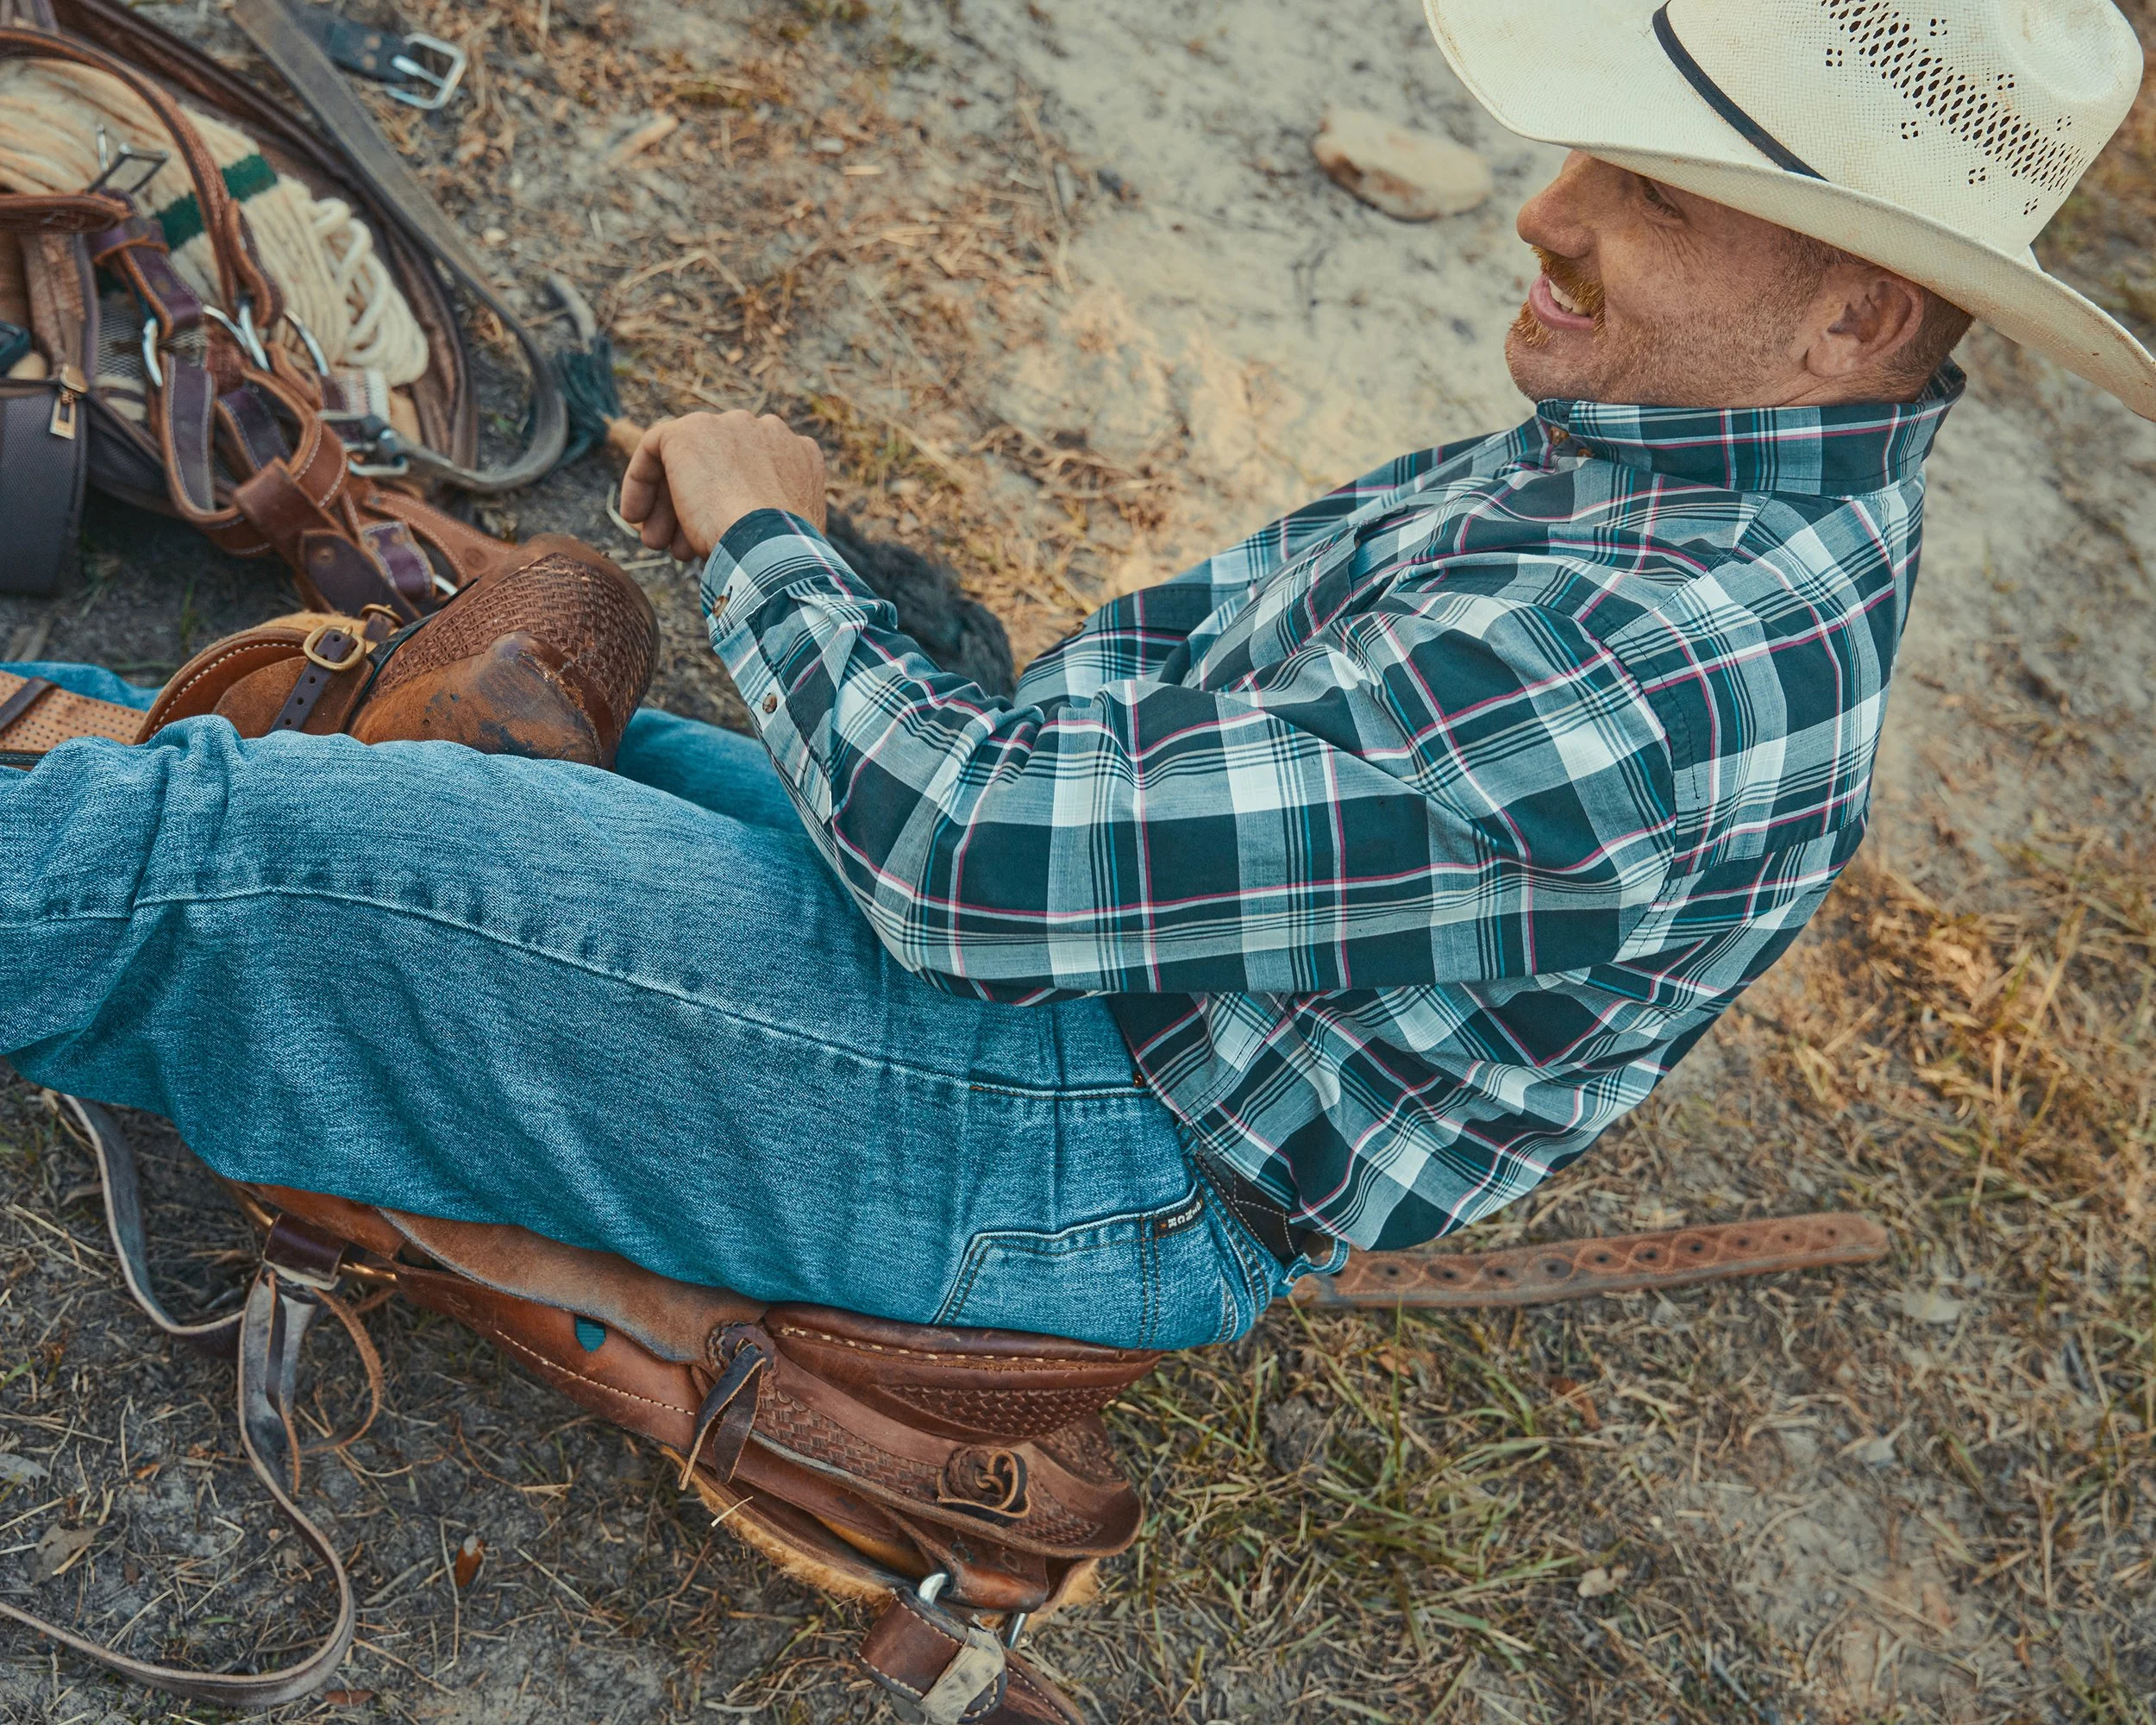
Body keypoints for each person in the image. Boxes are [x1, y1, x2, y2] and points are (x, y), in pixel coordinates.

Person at [3, 0, 2150, 1352]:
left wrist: (766, 531)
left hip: (1078, 1140)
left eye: (1646, 191)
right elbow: (1136, 743)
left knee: (263, 856)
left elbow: (963, 864)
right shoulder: (1680, 461)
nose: (1545, 210)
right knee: (416, 745)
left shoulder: (1674, 659)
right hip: (1094, 996)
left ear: (1859, 316)